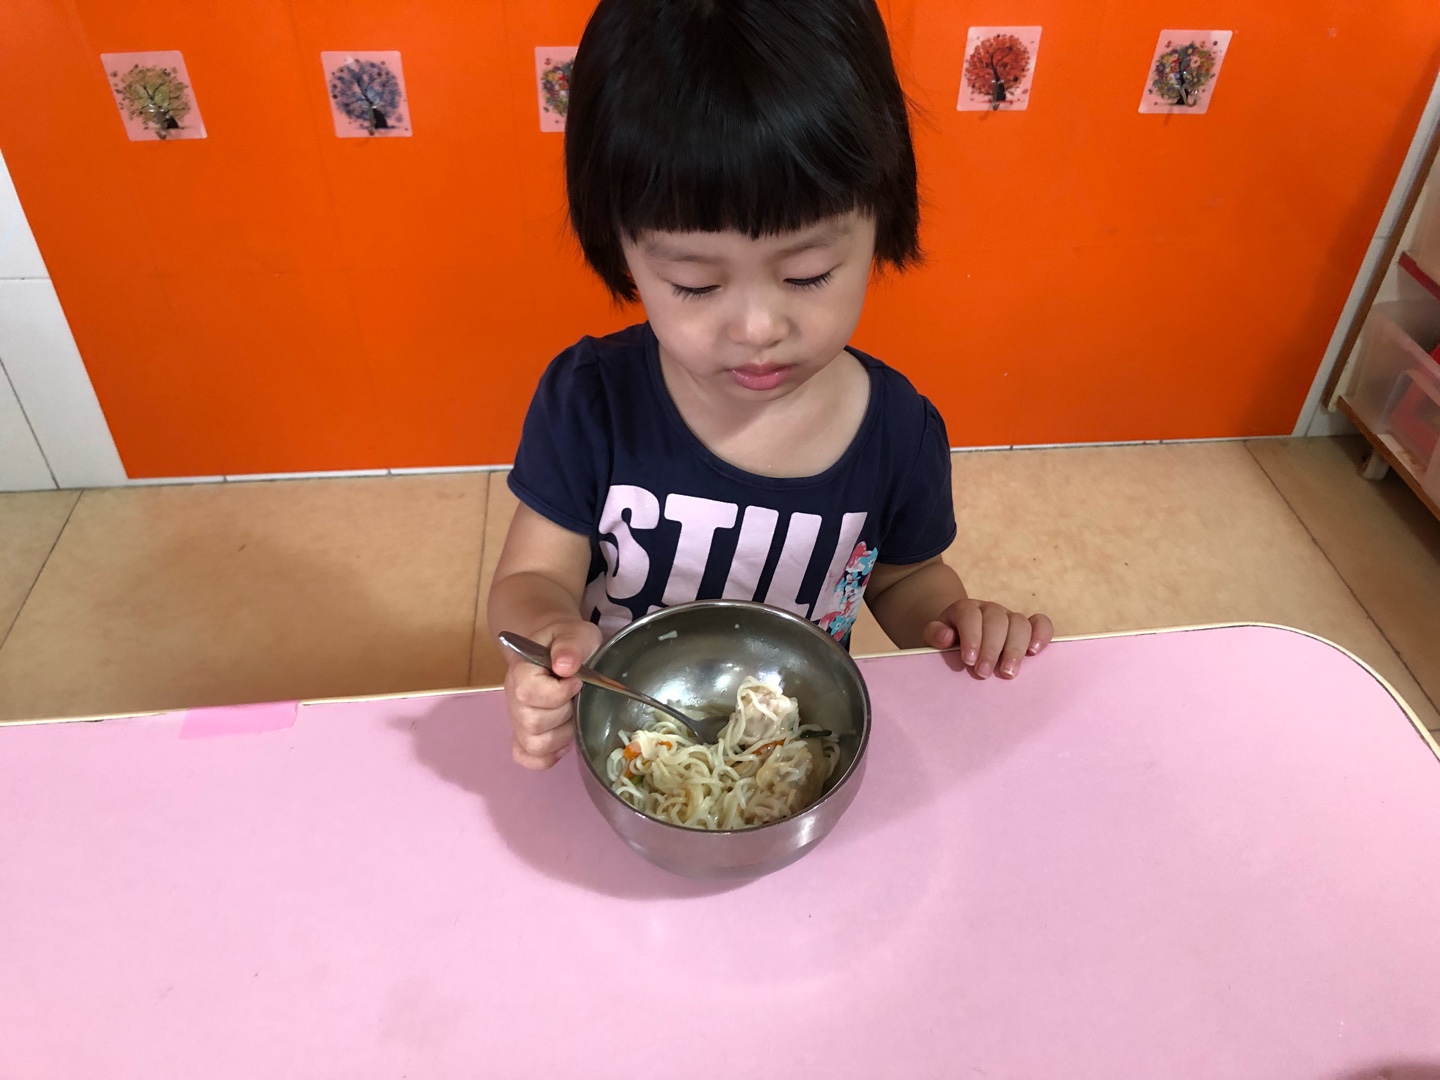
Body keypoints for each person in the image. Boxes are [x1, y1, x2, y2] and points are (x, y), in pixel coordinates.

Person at [488, 0, 1053, 769]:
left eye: (807, 273)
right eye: (694, 283)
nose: (757, 328)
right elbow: (531, 576)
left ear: (881, 223)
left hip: (793, 754)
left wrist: (955, 622)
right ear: (620, 250)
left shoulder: (897, 431)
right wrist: (547, 638)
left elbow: (905, 578)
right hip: (626, 736)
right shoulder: (590, 402)